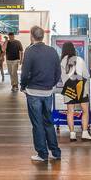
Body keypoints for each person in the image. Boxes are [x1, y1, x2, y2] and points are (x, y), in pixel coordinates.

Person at [20, 25, 61, 163]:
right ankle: (55, 152)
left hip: (33, 92)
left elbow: (25, 73)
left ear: (31, 36)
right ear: (43, 36)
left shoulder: (30, 52)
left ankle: (42, 154)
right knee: (49, 122)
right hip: (48, 92)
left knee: (37, 124)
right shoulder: (52, 51)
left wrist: (23, 86)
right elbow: (58, 72)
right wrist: (51, 84)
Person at [56, 41, 91, 141]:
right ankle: (85, 133)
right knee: (85, 111)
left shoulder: (62, 62)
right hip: (81, 87)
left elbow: (61, 76)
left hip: (68, 88)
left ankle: (72, 134)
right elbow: (86, 75)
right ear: (73, 49)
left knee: (70, 112)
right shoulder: (79, 59)